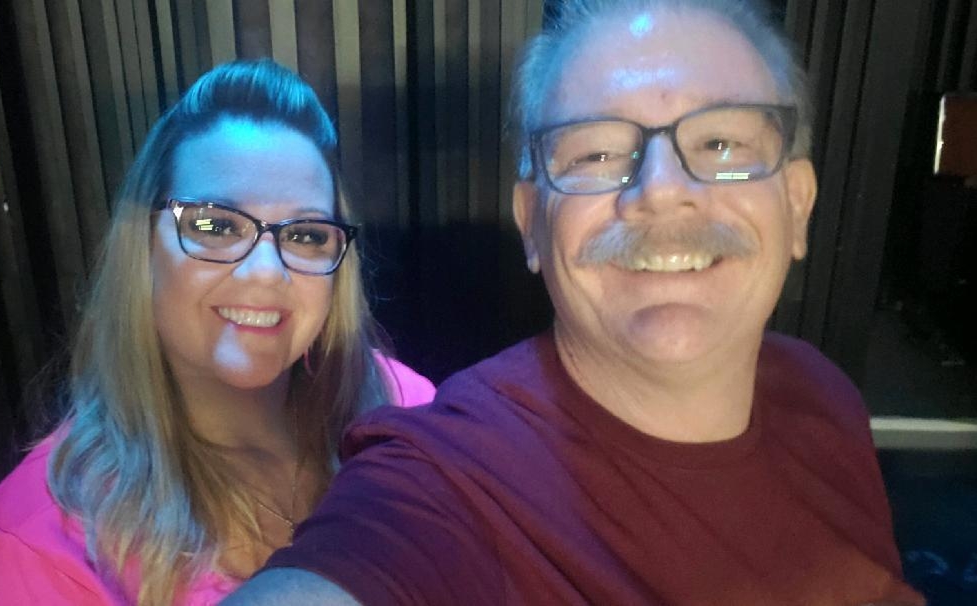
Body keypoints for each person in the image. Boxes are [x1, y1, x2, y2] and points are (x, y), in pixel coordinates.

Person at [222, 1, 925, 604]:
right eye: (596, 155)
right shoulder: (447, 484)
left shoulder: (823, 395)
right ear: (532, 223)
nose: (660, 190)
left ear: (797, 206)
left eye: (721, 143)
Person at [0, 59, 435, 605]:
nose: (266, 273)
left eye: (305, 235)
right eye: (214, 225)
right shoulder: (46, 538)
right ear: (143, 249)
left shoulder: (399, 402)